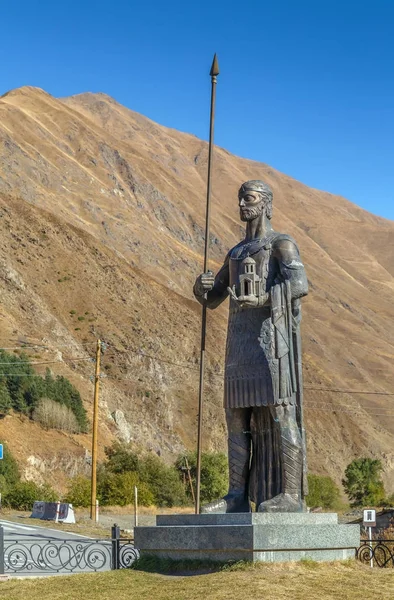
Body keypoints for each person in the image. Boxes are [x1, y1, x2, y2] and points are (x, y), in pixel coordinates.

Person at [193, 180, 308, 513]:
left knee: (282, 415)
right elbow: (214, 297)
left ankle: (290, 494)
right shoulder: (236, 252)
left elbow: (299, 285)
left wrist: (264, 298)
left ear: (266, 203)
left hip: (272, 346)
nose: (243, 203)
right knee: (235, 419)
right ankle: (236, 495)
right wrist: (200, 287)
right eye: (240, 197)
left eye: (250, 198)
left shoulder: (281, 245)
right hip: (239, 346)